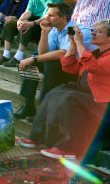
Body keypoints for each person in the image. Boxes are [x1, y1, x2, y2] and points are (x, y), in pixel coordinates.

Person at [16, 20, 108, 160]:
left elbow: (92, 66)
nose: (93, 33)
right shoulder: (95, 52)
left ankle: (68, 149)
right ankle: (37, 137)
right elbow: (69, 66)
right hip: (87, 94)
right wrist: (72, 44)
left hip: (102, 102)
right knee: (55, 91)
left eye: (99, 31)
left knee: (70, 98)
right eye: (94, 30)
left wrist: (79, 43)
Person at [14, 2, 95, 120]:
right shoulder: (54, 30)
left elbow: (64, 53)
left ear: (63, 17)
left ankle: (44, 110)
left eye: (51, 15)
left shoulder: (80, 30)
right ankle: (28, 105)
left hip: (81, 72)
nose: (46, 18)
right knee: (34, 63)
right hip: (67, 66)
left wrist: (33, 58)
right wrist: (44, 32)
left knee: (50, 64)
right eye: (47, 14)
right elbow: (43, 54)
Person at [0, 0, 63, 66]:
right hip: (33, 22)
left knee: (26, 25)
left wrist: (31, 23)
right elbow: (27, 12)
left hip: (46, 25)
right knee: (10, 22)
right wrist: (20, 21)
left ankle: (19, 56)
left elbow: (48, 17)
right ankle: (6, 54)